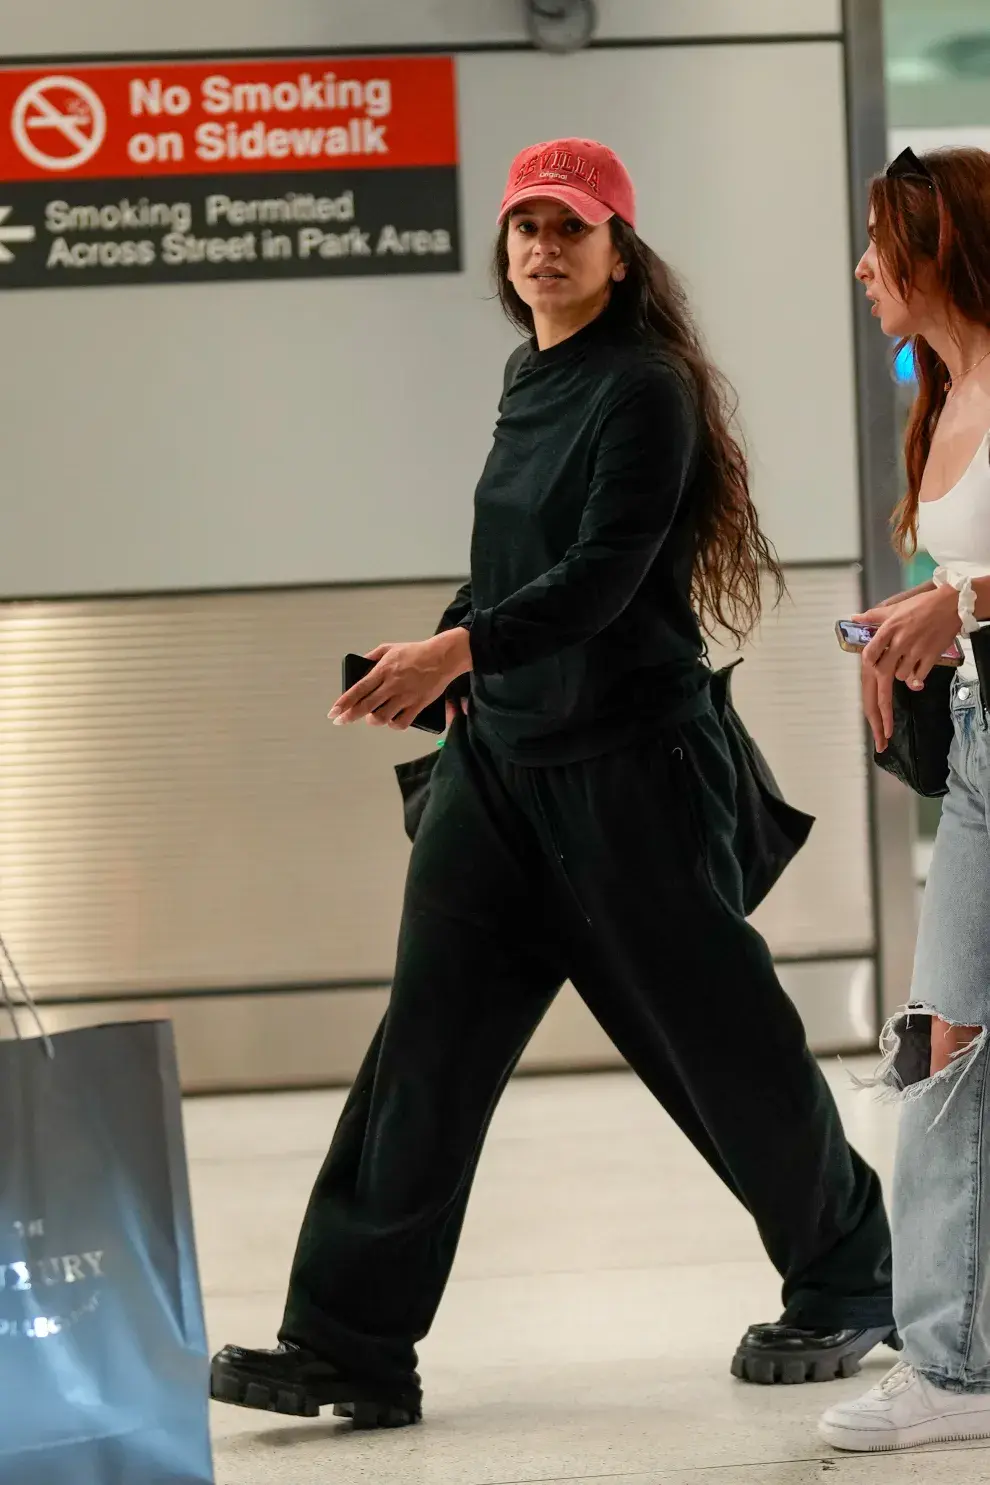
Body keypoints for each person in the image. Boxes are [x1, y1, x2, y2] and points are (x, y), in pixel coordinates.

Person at [211, 138, 894, 1431]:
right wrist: (434, 654)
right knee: (425, 1051)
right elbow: (515, 567)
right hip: (498, 771)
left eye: (569, 229)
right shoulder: (530, 374)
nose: (542, 247)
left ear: (618, 253)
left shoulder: (644, 389)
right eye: (525, 226)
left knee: (716, 1045)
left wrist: (460, 647)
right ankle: (348, 1345)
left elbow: (603, 574)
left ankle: (852, 1277)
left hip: (630, 774)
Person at [818, 145, 990, 1454]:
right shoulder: (935, 391)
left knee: (953, 1037)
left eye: (880, 241)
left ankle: (949, 1358)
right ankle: (950, 1358)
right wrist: (913, 624)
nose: (863, 268)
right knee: (945, 1035)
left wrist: (964, 601)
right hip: (982, 736)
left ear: (940, 245)